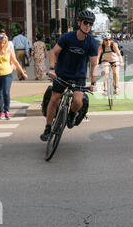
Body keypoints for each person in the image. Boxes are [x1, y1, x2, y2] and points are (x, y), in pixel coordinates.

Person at [40, 10, 99, 141]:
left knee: (78, 101)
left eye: (91, 24)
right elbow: (53, 53)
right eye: (85, 23)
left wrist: (93, 83)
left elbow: (94, 64)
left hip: (79, 76)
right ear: (79, 23)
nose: (88, 26)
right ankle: (48, 127)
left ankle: (72, 114)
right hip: (61, 73)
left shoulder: (91, 42)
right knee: (54, 98)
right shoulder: (67, 37)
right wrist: (52, 69)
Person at [0, 33, 28, 120]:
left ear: (6, 43)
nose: (1, 44)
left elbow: (15, 62)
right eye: (0, 42)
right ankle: (1, 111)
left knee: (6, 92)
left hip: (7, 74)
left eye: (3, 43)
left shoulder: (9, 50)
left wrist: (23, 73)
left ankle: (7, 111)